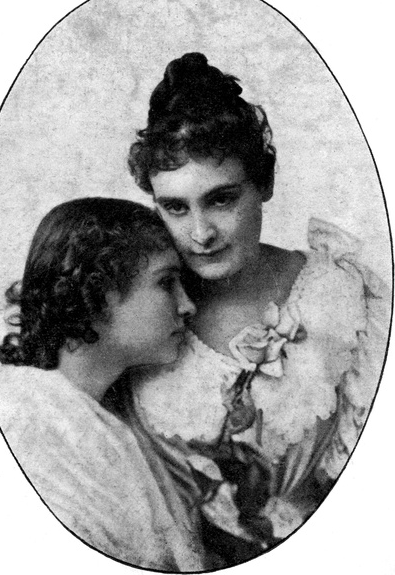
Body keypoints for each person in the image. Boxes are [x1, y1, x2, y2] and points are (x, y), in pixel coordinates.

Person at [127, 53, 391, 564]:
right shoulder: (139, 311)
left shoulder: (342, 294)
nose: (200, 233)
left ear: (264, 183)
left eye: (222, 199)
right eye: (175, 207)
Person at [0, 197, 207, 571]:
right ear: (98, 291)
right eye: (166, 283)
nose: (187, 306)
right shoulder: (26, 424)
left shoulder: (118, 413)